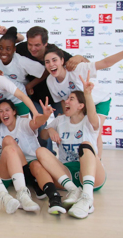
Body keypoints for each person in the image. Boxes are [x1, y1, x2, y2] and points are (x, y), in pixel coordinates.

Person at [44, 28, 123, 158]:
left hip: (99, 101)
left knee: (94, 130)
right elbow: (64, 101)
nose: (51, 64)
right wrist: (66, 117)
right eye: (47, 62)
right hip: (82, 105)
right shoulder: (50, 81)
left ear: (62, 61)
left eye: (54, 60)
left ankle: (97, 163)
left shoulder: (76, 69)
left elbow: (105, 62)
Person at [36, 72, 106, 219]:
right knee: (41, 151)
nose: (66, 101)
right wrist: (49, 129)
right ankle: (73, 190)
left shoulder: (89, 121)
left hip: (90, 174)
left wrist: (87, 94)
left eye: (71, 99)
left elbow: (93, 114)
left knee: (86, 145)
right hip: (66, 173)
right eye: (67, 98)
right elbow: (42, 137)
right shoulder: (60, 120)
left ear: (81, 105)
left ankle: (87, 198)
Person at [16, 26, 88, 152]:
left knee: (66, 123)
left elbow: (86, 65)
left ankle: (71, 155)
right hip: (37, 98)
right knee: (40, 127)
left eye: (37, 45)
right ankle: (47, 155)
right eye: (30, 44)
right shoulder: (21, 48)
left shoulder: (54, 51)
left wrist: (79, 57)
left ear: (46, 43)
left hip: (59, 96)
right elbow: (6, 49)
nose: (33, 48)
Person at [0, 26, 45, 94]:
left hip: (19, 96)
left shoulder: (21, 61)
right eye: (1, 48)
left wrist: (29, 86)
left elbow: (44, 71)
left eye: (8, 49)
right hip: (1, 96)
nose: (3, 52)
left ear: (14, 49)